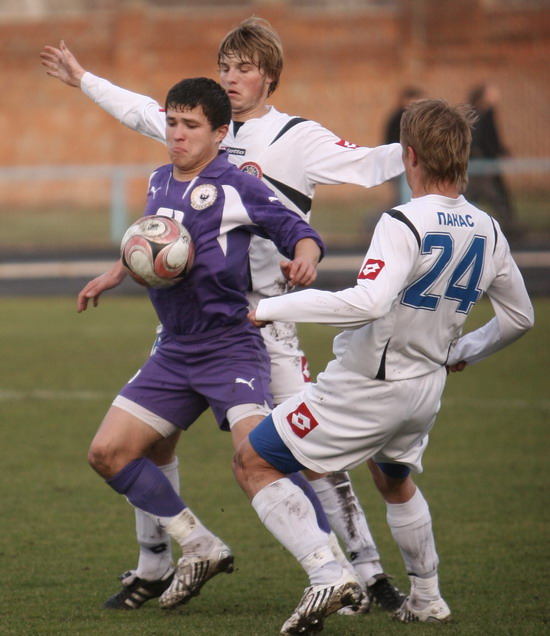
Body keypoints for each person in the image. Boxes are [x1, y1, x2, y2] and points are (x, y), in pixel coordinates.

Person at [41, 17, 405, 613]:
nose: (232, 78)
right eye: (225, 67)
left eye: (245, 68)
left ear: (270, 77)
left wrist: (426, 148)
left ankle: (362, 574)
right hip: (185, 323)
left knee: (301, 451)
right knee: (150, 446)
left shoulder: (294, 138)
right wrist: (83, 79)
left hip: (265, 323)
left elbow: (366, 166)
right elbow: (139, 111)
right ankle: (157, 563)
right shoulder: (190, 132)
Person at [234, 98, 534, 634]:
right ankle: (427, 597)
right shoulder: (489, 228)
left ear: (409, 156)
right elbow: (520, 318)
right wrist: (462, 350)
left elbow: (368, 302)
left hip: (368, 388)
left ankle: (328, 573)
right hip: (424, 390)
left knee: (252, 461)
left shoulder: (403, 220)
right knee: (394, 481)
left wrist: (273, 308)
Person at [82, 76, 328, 612]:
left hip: (229, 347)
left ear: (219, 133)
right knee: (108, 453)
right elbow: (152, 241)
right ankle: (198, 544)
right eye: (172, 122)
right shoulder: (158, 180)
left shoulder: (236, 184)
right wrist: (116, 272)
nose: (177, 134)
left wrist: (306, 257)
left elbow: (296, 230)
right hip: (175, 350)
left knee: (259, 455)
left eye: (190, 125)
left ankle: (331, 568)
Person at [465, 82, 520, 238]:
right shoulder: (479, 113)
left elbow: (492, 138)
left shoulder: (487, 112)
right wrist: (487, 156)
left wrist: (502, 151)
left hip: (486, 162)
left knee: (493, 195)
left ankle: (510, 226)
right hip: (483, 164)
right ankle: (510, 227)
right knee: (494, 195)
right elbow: (481, 139)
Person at [382, 86, 424, 208]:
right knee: (401, 196)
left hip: (413, 163)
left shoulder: (419, 120)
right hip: (398, 164)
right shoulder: (397, 120)